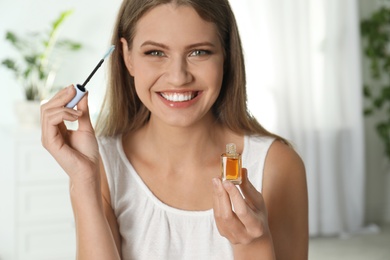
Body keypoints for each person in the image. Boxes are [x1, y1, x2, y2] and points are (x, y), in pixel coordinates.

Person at [40, 0, 308, 259]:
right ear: (127, 56)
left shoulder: (277, 166)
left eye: (199, 52)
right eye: (155, 52)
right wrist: (84, 182)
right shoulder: (102, 167)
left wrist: (253, 243)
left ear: (226, 54)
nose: (178, 77)